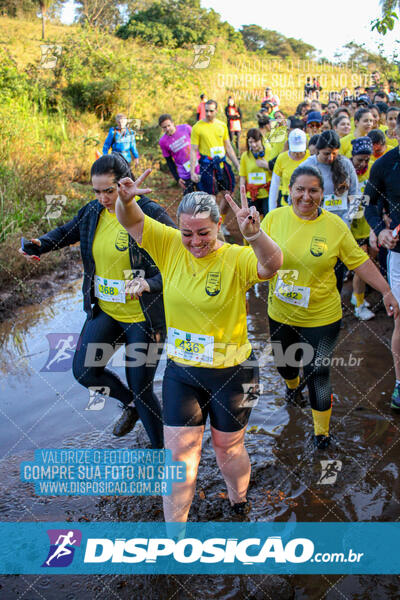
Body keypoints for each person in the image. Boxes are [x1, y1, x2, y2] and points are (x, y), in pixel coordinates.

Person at [115, 175, 283, 523]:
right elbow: (129, 220)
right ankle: (174, 538)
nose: (194, 242)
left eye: (203, 233)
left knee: (227, 447)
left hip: (234, 373)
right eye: (187, 232)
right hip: (182, 372)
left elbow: (271, 264)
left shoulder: (236, 258)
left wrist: (253, 235)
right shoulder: (169, 245)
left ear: (219, 225)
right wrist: (127, 200)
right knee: (178, 457)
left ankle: (238, 501)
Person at [19, 153, 176, 447]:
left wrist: (151, 283)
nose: (103, 198)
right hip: (106, 310)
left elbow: (183, 260)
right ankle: (131, 406)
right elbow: (68, 232)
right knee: (85, 371)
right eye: (97, 191)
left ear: (125, 185)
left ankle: (162, 457)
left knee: (142, 388)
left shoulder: (149, 213)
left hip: (145, 316)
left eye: (109, 190)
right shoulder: (93, 212)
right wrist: (41, 244)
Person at [261, 165, 398, 448]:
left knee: (317, 371)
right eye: (300, 189)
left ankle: (321, 433)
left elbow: (359, 262)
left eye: (313, 190)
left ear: (322, 193)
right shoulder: (274, 219)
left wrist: (386, 290)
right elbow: (253, 259)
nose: (306, 196)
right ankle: (291, 387)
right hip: (281, 312)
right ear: (290, 191)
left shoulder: (335, 226)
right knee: (286, 365)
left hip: (322, 314)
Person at [364, 112, 400, 409]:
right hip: (399, 253)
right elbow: (368, 205)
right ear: (395, 134)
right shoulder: (384, 165)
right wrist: (381, 230)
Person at [302, 130, 360, 291]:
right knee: (316, 265)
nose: (331, 158)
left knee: (338, 269)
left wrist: (348, 219)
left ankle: (336, 300)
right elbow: (295, 195)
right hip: (315, 227)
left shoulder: (345, 164)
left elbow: (355, 194)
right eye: (326, 154)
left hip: (340, 227)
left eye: (334, 154)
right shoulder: (308, 166)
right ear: (318, 150)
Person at [190, 100, 239, 230]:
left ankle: (220, 222)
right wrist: (192, 171)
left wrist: (237, 165)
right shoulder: (197, 127)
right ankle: (213, 227)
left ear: (216, 111)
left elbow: (228, 146)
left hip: (222, 165)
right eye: (206, 110)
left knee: (228, 196)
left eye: (211, 110)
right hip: (207, 166)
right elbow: (194, 150)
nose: (209, 113)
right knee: (210, 198)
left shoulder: (222, 126)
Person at [349, 137, 375, 320]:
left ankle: (355, 296)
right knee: (361, 267)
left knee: (369, 263)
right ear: (352, 157)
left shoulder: (372, 170)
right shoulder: (344, 172)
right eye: (360, 160)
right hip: (352, 229)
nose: (364, 163)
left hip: (368, 226)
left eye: (367, 159)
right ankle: (358, 306)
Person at [269, 129, 309, 212]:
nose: (297, 154)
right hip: (286, 203)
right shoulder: (281, 158)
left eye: (300, 151)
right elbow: (274, 185)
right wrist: (271, 210)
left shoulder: (310, 157)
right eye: (294, 151)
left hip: (306, 204)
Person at [158, 113, 199, 195]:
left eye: (169, 125)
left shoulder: (186, 128)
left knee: (205, 196)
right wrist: (177, 178)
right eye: (164, 127)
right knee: (189, 201)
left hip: (198, 167)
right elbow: (169, 162)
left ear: (173, 123)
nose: (167, 129)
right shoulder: (163, 141)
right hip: (184, 173)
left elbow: (199, 143)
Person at [239, 128, 271, 218]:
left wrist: (267, 166)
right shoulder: (245, 156)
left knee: (267, 219)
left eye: (256, 141)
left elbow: (277, 172)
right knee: (252, 220)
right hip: (252, 194)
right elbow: (242, 177)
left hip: (267, 194)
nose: (253, 145)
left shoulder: (269, 152)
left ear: (261, 140)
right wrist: (243, 196)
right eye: (250, 142)